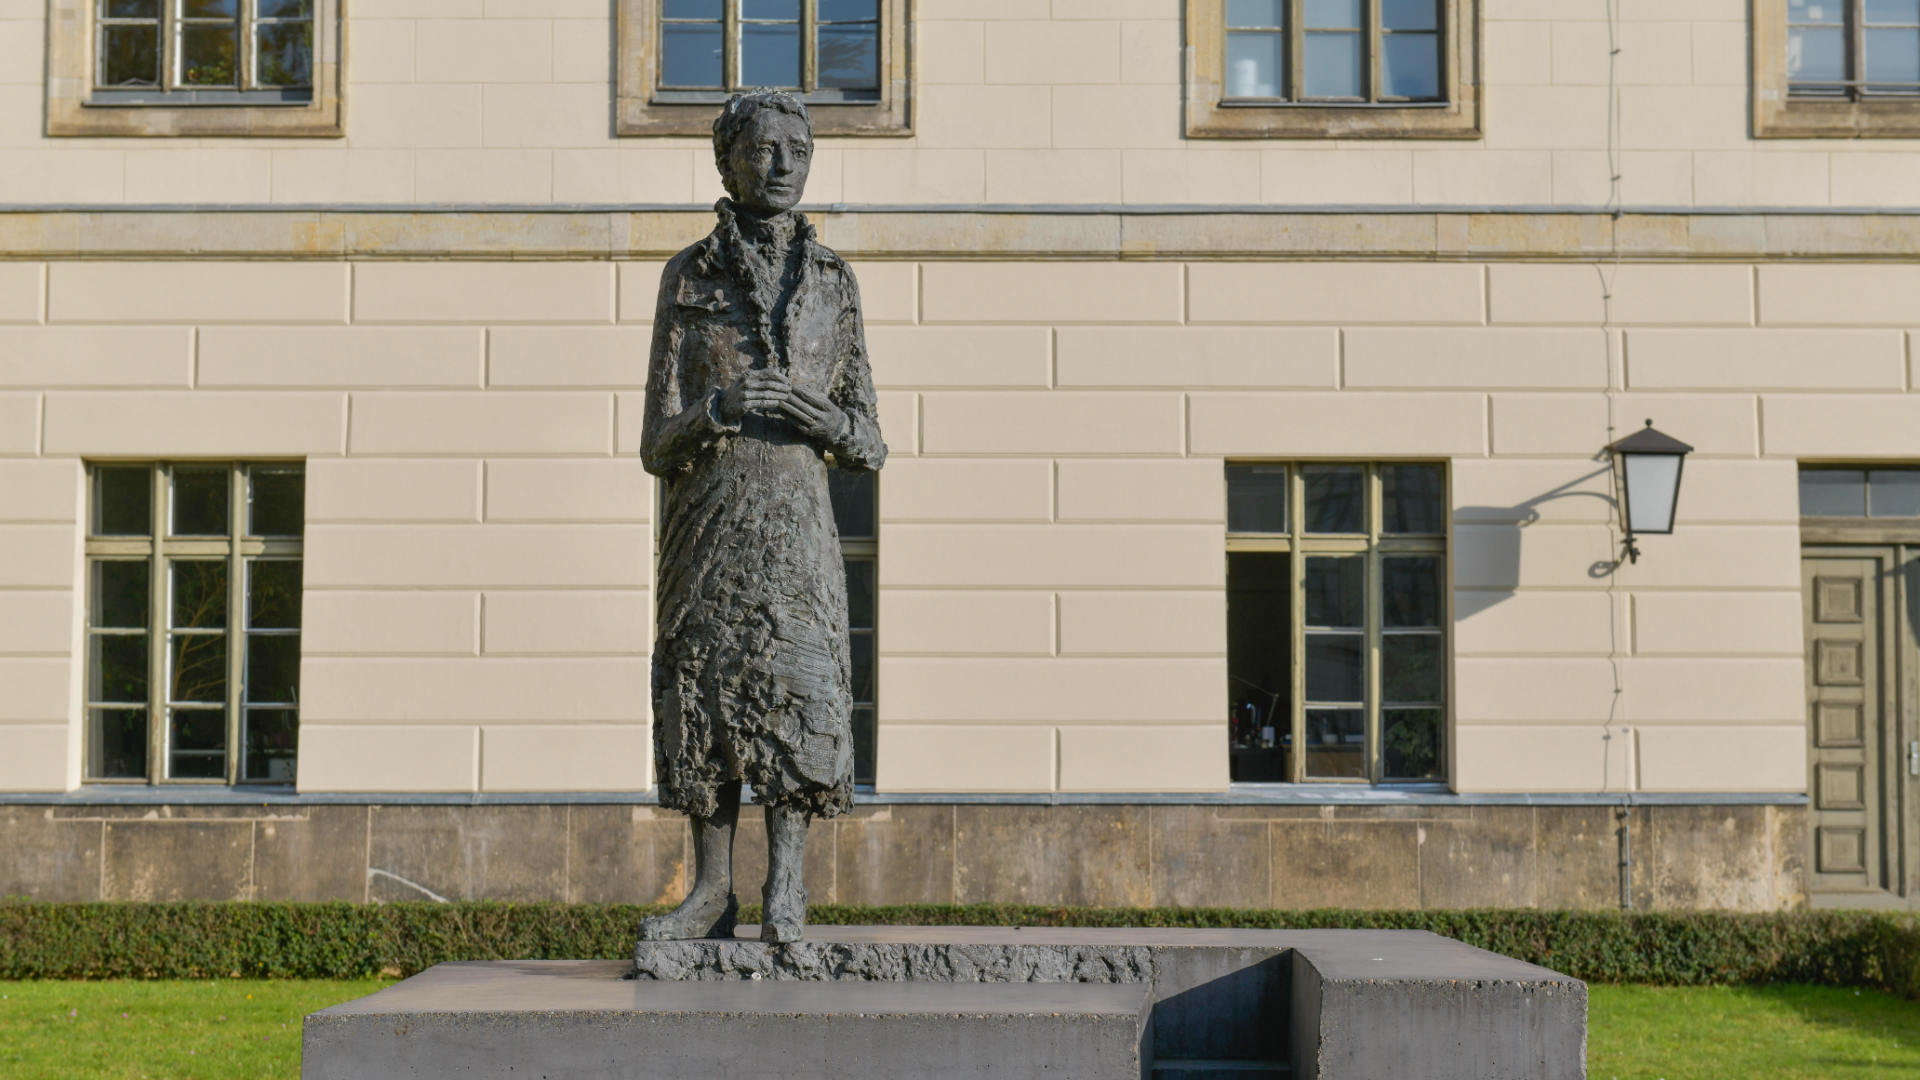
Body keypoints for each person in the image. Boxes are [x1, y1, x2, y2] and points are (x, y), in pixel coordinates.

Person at [636, 90, 886, 944]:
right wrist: (718, 409)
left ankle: (787, 888)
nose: (784, 165)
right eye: (766, 148)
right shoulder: (689, 275)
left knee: (798, 693)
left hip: (798, 524)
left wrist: (824, 421)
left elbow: (871, 442)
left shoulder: (832, 283)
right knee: (705, 696)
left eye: (798, 149)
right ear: (728, 160)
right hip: (706, 524)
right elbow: (654, 444)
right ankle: (711, 889)